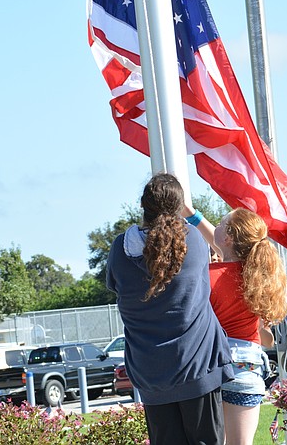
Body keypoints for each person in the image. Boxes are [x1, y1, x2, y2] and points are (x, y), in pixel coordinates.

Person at [106, 173, 233, 445]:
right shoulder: (195, 243)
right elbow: (222, 250)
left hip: (150, 371)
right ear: (179, 206)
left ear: (142, 205)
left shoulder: (119, 249)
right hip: (197, 365)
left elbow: (115, 285)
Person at [186, 206, 287, 445]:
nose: (216, 228)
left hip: (212, 367)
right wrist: (193, 215)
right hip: (248, 368)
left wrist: (192, 215)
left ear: (229, 237)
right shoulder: (260, 279)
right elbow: (266, 337)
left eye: (221, 225)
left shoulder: (207, 275)